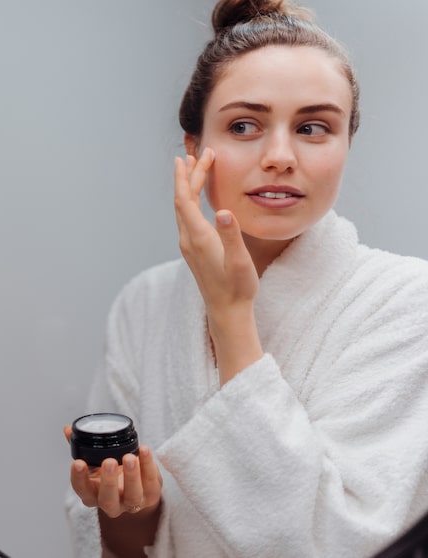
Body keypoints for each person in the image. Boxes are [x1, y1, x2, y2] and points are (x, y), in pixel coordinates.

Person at [65, 0, 428, 556]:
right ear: (194, 147)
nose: (280, 156)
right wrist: (128, 511)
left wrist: (231, 316)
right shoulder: (145, 304)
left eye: (313, 127)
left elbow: (342, 544)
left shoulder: (408, 302)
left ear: (346, 145)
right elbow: (120, 544)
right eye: (243, 125)